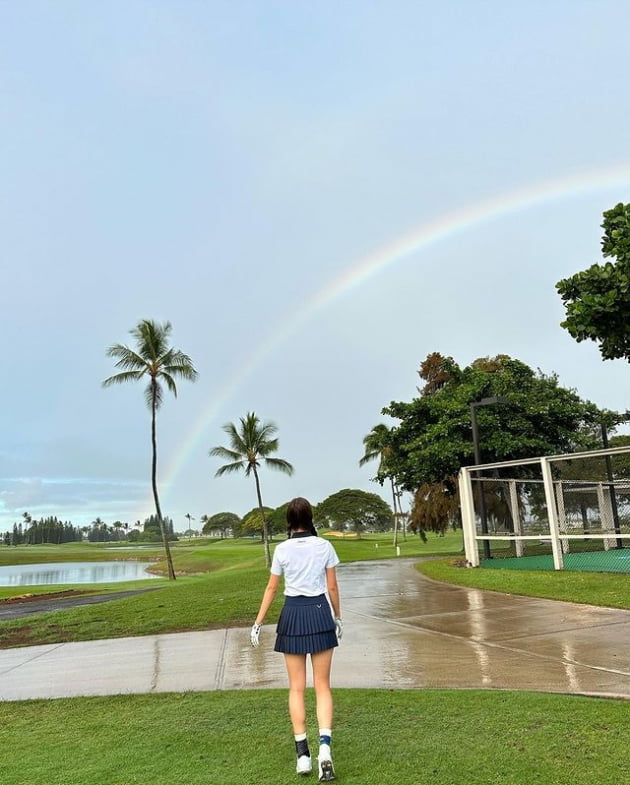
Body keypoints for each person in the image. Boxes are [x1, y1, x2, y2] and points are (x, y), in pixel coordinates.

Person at [250, 497, 342, 781]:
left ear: (290, 520)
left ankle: (303, 756)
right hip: (319, 613)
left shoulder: (282, 549)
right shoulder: (324, 546)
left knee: (296, 688)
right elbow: (332, 586)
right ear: (310, 518)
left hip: (292, 613)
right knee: (323, 687)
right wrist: (338, 617)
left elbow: (271, 588)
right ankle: (324, 749)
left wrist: (258, 622)